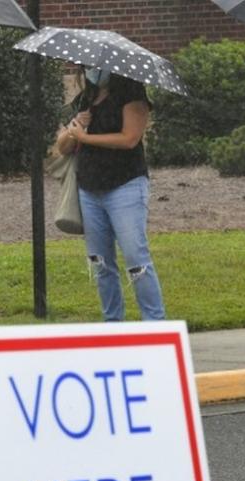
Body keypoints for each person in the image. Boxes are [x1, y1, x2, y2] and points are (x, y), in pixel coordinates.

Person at [55, 68, 165, 322]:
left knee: (136, 260)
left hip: (125, 184)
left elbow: (130, 138)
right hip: (90, 188)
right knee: (100, 262)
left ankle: (155, 325)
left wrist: (87, 137)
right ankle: (113, 325)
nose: (91, 70)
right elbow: (62, 147)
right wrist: (75, 131)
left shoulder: (131, 93)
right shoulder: (85, 98)